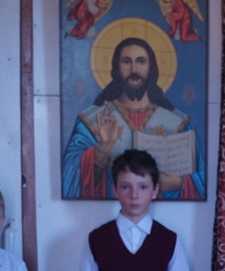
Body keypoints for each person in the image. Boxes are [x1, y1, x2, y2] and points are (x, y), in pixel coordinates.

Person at [62, 37, 207, 200]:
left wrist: (182, 183)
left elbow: (204, 177)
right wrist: (103, 148)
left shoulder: (179, 123)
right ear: (117, 68)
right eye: (126, 61)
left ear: (151, 68)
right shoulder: (92, 120)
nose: (134, 69)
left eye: (141, 61)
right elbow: (71, 178)